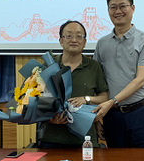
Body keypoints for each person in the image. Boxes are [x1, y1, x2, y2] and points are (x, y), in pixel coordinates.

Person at [93, 0, 144, 148]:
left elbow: (140, 80)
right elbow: (97, 83)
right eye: (113, 7)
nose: (118, 11)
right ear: (108, 10)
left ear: (132, 8)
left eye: (123, 6)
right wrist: (96, 119)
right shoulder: (102, 43)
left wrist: (112, 101)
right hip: (112, 115)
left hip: (141, 112)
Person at [37, 20, 109, 148]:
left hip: (85, 140)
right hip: (52, 138)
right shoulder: (49, 65)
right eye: (69, 36)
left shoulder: (93, 66)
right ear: (61, 41)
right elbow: (36, 98)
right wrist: (49, 118)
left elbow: (104, 97)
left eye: (79, 36)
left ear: (85, 42)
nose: (74, 40)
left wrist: (86, 99)